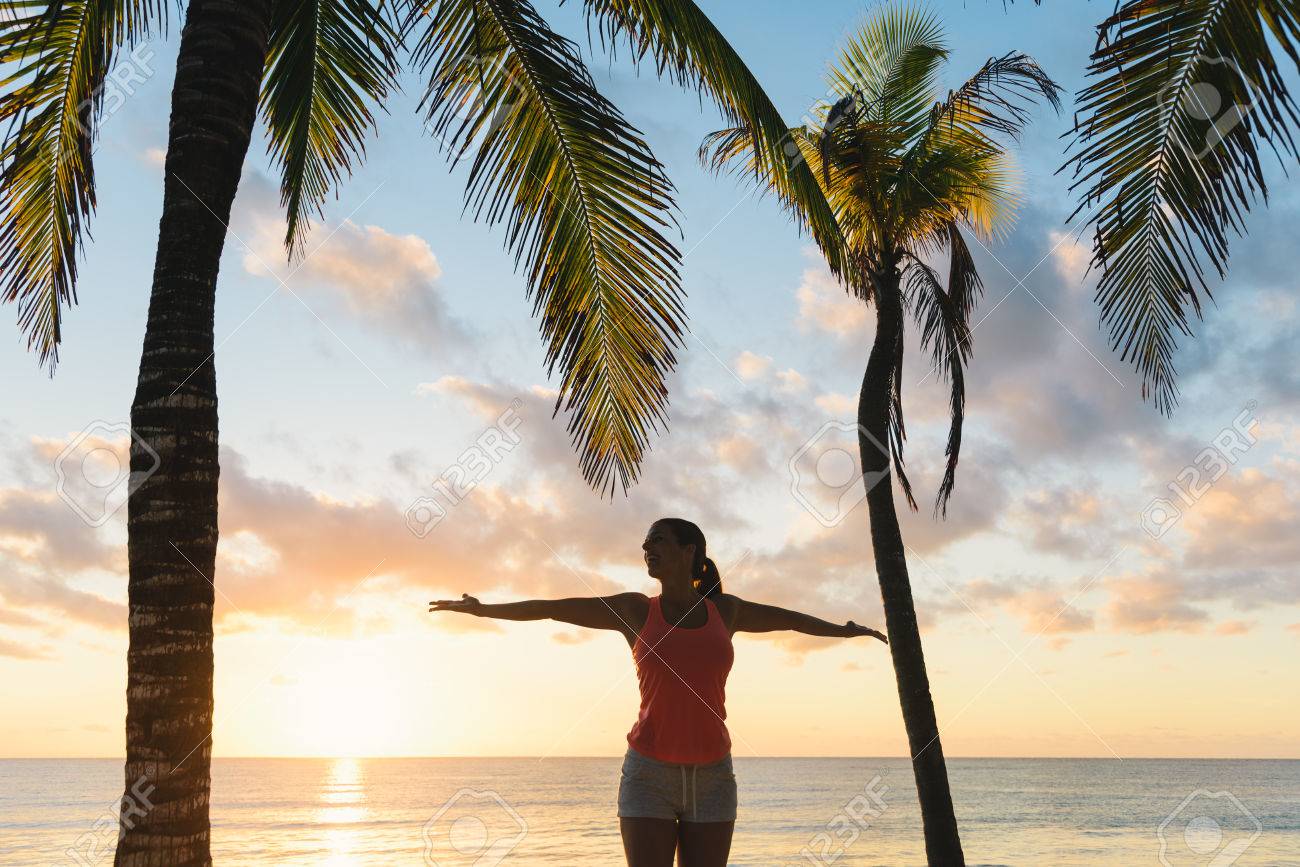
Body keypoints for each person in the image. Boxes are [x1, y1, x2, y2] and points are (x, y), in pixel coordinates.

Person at [428, 517, 887, 867]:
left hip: (712, 778)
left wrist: (844, 632)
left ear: (689, 551)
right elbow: (554, 609)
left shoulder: (725, 611)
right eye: (645, 543)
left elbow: (792, 619)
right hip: (649, 775)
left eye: (658, 540)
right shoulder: (634, 610)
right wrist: (484, 609)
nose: (647, 548)